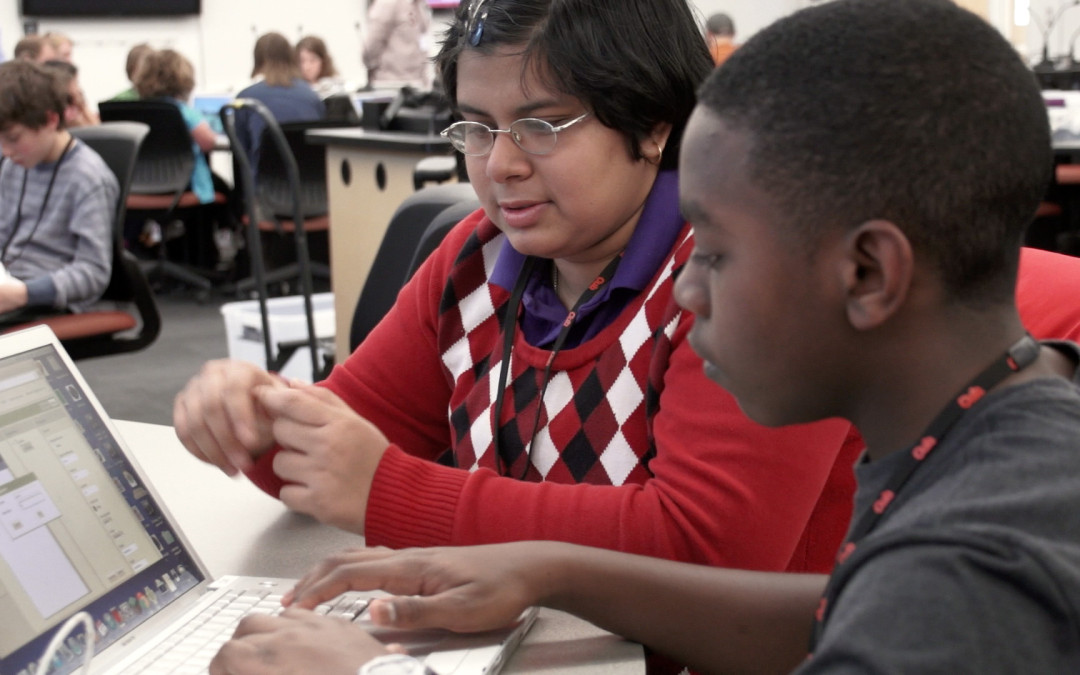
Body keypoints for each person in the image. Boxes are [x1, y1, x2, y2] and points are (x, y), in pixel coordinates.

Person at [206, 0, 1080, 673]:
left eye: (719, 251)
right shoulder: (1005, 438)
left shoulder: (976, 580)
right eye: (477, 128)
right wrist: (551, 571)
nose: (685, 284)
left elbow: (893, 609)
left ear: (866, 275)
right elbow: (841, 607)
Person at [174, 0, 859, 587]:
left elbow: (709, 552)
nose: (500, 164)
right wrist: (251, 418)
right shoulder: (477, 258)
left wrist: (390, 491)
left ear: (653, 125)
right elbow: (334, 449)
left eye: (543, 125)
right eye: (476, 126)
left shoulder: (750, 270)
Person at [0, 61, 118, 325]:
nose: (6, 150)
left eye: (14, 137)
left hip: (47, 298)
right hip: (11, 284)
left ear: (51, 119)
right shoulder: (14, 166)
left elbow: (93, 273)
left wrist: (24, 294)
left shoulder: (87, 177)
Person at [132, 49, 218, 206]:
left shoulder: (133, 111)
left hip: (139, 186)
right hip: (183, 185)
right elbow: (208, 143)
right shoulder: (181, 111)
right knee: (227, 192)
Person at [233, 32, 325, 168]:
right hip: (311, 181)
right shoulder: (312, 95)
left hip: (263, 182)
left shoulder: (246, 99)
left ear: (258, 59)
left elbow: (240, 150)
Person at [363, 0, 432, 89]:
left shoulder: (419, 4)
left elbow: (423, 39)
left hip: (417, 84)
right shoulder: (387, 3)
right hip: (390, 85)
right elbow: (371, 48)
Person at [41, 60, 100, 128]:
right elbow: (95, 128)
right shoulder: (66, 113)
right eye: (75, 82)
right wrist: (83, 107)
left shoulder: (74, 105)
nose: (78, 88)